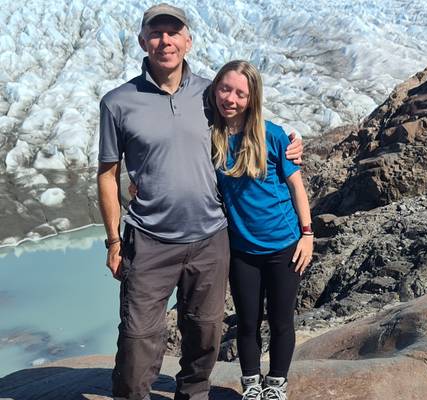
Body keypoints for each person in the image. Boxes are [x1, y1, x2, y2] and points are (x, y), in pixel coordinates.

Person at [96, 4, 302, 400]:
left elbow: (252, 125)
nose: (165, 41)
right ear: (143, 41)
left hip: (210, 237)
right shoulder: (117, 103)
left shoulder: (210, 93)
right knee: (139, 337)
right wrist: (113, 240)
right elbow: (107, 174)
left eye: (174, 33)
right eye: (156, 33)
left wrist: (292, 144)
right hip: (149, 238)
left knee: (205, 332)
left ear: (188, 41)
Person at [209, 60, 313, 400]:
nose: (231, 99)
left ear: (252, 99)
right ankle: (252, 385)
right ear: (215, 89)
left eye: (240, 93)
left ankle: (277, 384)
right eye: (226, 89)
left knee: (281, 321)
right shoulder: (212, 137)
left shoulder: (273, 135)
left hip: (284, 246)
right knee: (248, 321)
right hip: (242, 250)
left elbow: (297, 187)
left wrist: (308, 235)